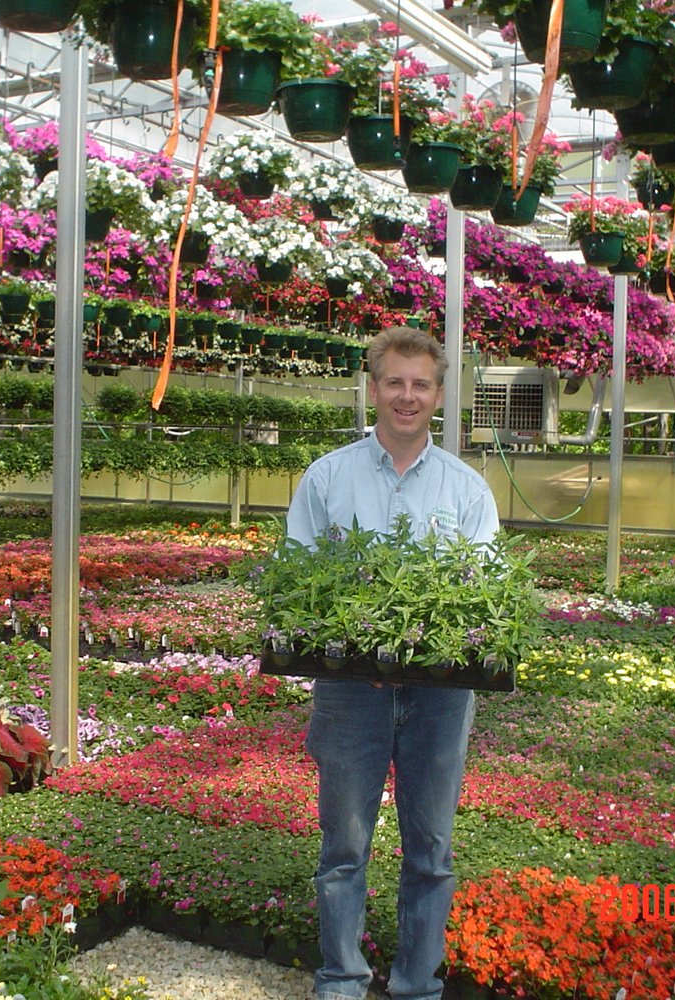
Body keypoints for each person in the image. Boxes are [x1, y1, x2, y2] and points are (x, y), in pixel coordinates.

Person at [284, 327, 500, 1000]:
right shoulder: (326, 477)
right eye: (395, 382)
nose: (407, 396)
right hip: (351, 692)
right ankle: (341, 980)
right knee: (343, 845)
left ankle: (415, 985)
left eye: (422, 384)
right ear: (373, 388)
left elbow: (486, 593)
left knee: (431, 849)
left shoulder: (468, 490)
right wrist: (348, 642)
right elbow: (297, 581)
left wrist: (434, 645)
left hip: (441, 696)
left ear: (438, 395)